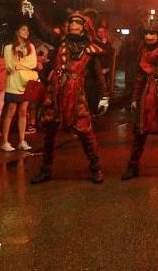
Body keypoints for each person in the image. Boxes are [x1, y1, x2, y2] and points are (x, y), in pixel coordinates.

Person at [31, 12, 109, 184]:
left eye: (78, 23)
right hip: (55, 92)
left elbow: (98, 75)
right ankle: (45, 170)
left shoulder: (90, 50)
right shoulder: (61, 42)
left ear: (84, 28)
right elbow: (43, 31)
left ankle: (96, 169)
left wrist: (104, 96)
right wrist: (32, 15)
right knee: (50, 132)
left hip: (76, 95)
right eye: (71, 22)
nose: (73, 25)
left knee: (84, 131)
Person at [0, 24, 38, 152]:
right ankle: (5, 141)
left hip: (27, 82)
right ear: (17, 31)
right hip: (14, 83)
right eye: (23, 29)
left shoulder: (31, 46)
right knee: (11, 110)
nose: (26, 32)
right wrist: (17, 57)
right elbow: (9, 67)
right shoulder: (9, 47)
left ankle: (22, 141)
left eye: (27, 29)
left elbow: (33, 63)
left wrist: (20, 65)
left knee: (23, 111)